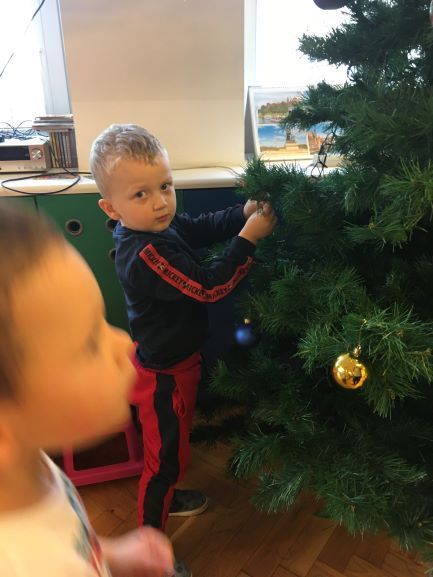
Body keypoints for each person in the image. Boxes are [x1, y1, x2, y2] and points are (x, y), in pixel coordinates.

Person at [92, 124, 277, 577]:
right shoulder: (145, 254)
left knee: (170, 452)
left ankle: (167, 499)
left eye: (165, 186)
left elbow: (197, 227)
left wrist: (241, 213)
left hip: (177, 362)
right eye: (141, 194)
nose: (160, 202)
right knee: (164, 463)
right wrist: (248, 238)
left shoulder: (156, 225)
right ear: (111, 208)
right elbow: (209, 287)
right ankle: (150, 549)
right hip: (164, 375)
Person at [0, 203, 174, 577]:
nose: (124, 343)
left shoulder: (30, 463)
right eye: (90, 343)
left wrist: (114, 556)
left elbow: (68, 541)